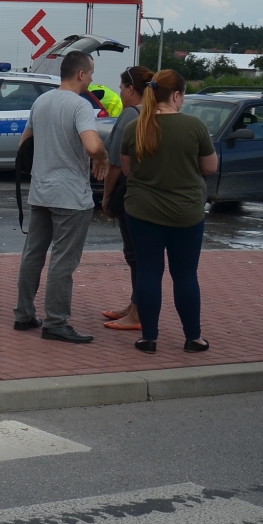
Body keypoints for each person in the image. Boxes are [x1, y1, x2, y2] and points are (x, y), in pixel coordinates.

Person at [14, 49, 111, 343]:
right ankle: (56, 322)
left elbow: (24, 144)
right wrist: (103, 158)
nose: (92, 78)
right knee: (63, 261)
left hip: (40, 191)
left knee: (33, 254)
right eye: (91, 73)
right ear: (81, 74)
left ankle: (24, 314)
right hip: (70, 196)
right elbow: (93, 145)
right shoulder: (80, 106)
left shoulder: (41, 101)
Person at [121, 69, 218, 354]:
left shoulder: (134, 127)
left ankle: (148, 338)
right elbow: (210, 167)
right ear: (176, 95)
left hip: (141, 212)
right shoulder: (194, 127)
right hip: (186, 214)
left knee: (149, 272)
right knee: (185, 275)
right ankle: (193, 338)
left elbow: (127, 170)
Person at [99, 66, 157, 331]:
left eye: (121, 88)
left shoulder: (130, 115)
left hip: (131, 193)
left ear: (131, 89)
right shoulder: (157, 112)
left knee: (134, 255)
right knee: (144, 255)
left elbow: (115, 163)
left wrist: (107, 196)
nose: (120, 93)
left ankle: (138, 313)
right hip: (154, 192)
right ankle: (135, 305)